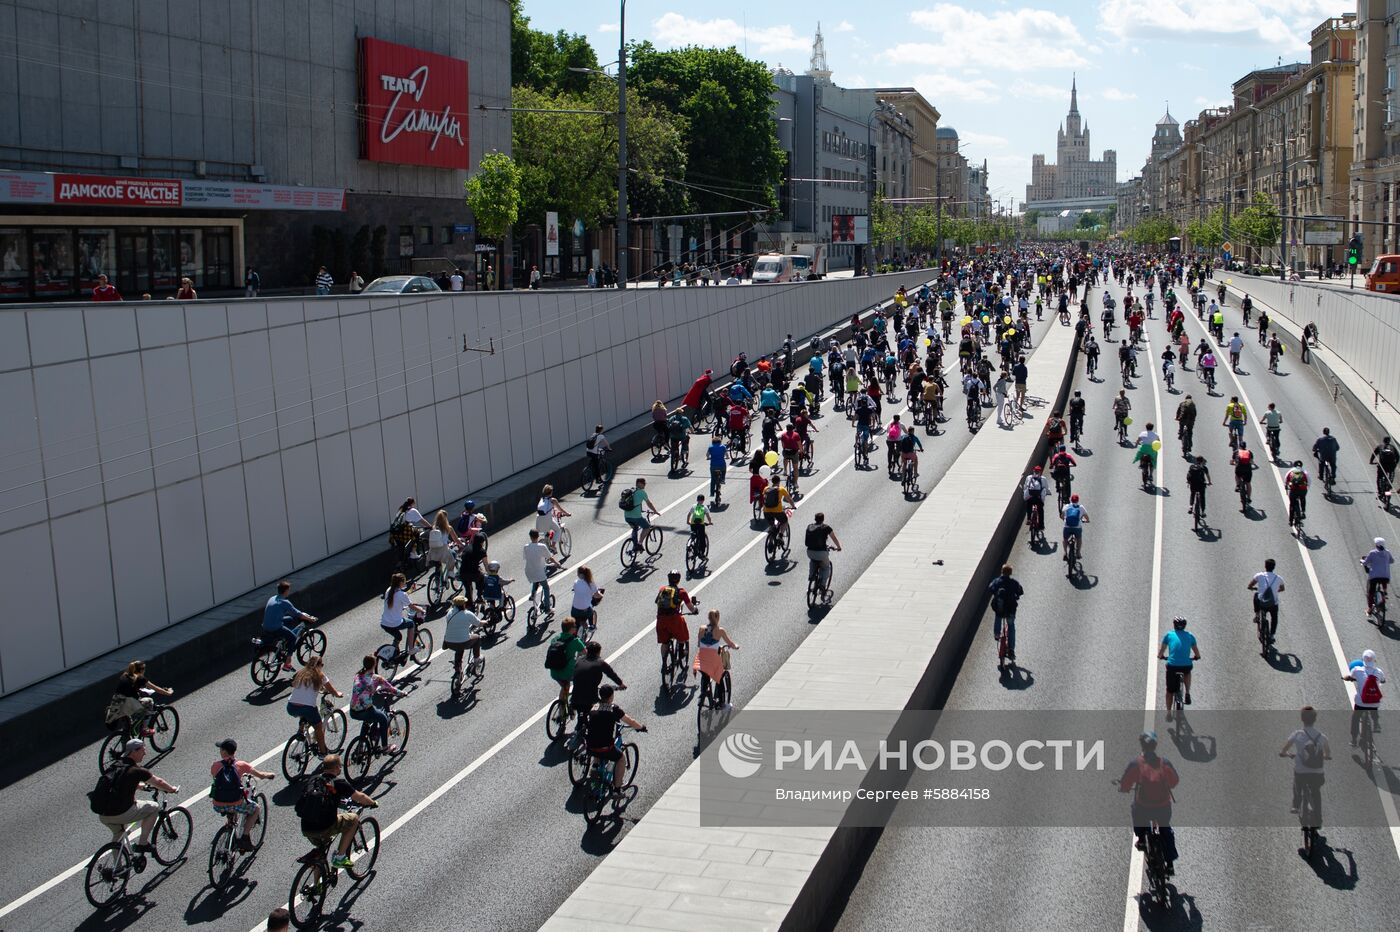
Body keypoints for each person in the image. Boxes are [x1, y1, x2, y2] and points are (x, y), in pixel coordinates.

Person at [92, 739, 179, 852]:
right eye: (143, 750)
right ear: (134, 751)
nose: (145, 753)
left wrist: (140, 786)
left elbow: (120, 783)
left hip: (103, 814)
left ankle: (116, 868)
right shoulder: (137, 770)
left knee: (120, 836)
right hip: (120, 813)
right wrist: (172, 789)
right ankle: (143, 844)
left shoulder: (116, 766)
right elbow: (158, 782)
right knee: (154, 807)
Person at [296, 753, 378, 869]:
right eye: (339, 766)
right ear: (336, 768)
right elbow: (359, 797)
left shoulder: (313, 780)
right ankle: (340, 857)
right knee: (353, 818)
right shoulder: (338, 783)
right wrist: (373, 803)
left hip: (306, 828)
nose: (340, 768)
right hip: (324, 828)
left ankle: (318, 885)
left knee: (320, 853)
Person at [1117, 732, 1180, 874]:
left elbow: (1126, 783)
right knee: (1165, 829)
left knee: (1135, 810)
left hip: (1143, 807)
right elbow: (1175, 780)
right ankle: (1169, 863)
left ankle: (1141, 839)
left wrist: (1124, 788)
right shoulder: (1165, 763)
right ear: (1155, 745)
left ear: (1142, 745)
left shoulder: (1136, 764)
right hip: (1163, 807)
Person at [209, 737, 274, 852]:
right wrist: (269, 775)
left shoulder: (215, 766)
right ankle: (244, 836)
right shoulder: (241, 765)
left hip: (217, 804)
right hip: (235, 803)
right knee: (256, 809)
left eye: (220, 749)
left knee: (229, 806)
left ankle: (229, 828)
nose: (219, 751)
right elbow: (260, 775)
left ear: (224, 752)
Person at [583, 684, 646, 789]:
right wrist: (641, 727)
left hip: (590, 747)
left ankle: (594, 773)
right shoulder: (613, 709)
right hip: (606, 748)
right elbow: (630, 721)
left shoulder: (593, 708)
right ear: (611, 696)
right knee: (620, 759)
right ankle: (617, 789)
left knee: (597, 753)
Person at [1279, 706, 1330, 819]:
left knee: (1297, 785)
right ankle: (1318, 815)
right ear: (1315, 719)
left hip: (1301, 772)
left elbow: (1284, 750)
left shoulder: (1297, 734)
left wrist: (1285, 754)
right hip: (1318, 773)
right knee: (1316, 790)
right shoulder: (1322, 737)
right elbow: (1328, 753)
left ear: (1302, 719)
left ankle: (1296, 806)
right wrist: (1326, 757)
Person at [287, 655, 342, 756]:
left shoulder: (300, 673)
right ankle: (323, 752)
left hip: (291, 706)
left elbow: (297, 685)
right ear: (319, 665)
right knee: (318, 727)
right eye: (322, 664)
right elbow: (332, 690)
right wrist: (338, 694)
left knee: (302, 712)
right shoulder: (320, 675)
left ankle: (301, 729)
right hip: (307, 708)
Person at [105, 660, 174, 735]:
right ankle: (144, 729)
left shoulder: (125, 675)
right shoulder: (140, 678)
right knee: (149, 702)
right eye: (144, 669)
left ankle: (125, 742)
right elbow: (156, 688)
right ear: (141, 670)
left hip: (117, 703)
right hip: (127, 704)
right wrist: (168, 693)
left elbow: (127, 689)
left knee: (127, 729)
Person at [263, 580, 317, 669]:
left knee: (290, 619)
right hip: (275, 628)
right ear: (286, 591)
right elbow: (298, 613)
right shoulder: (285, 602)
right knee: (293, 638)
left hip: (266, 625)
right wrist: (310, 619)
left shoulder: (272, 598)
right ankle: (287, 663)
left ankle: (284, 640)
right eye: (289, 590)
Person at [1157, 616, 1200, 718]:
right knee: (1187, 671)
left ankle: (1168, 713)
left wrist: (1161, 656)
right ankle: (1188, 693)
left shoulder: (1169, 635)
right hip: (1186, 665)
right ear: (1185, 626)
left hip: (1172, 666)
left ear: (1174, 625)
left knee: (1169, 691)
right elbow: (1196, 652)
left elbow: (1162, 650)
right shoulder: (1190, 636)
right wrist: (1197, 657)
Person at [655, 570, 697, 669]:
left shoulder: (662, 589)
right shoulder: (681, 592)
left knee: (665, 642)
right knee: (682, 636)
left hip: (661, 619)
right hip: (674, 619)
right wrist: (695, 610)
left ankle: (664, 662)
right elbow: (690, 607)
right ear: (678, 580)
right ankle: (681, 653)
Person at [1343, 649, 1387, 746]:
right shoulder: (1379, 672)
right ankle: (1376, 724)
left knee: (1355, 718)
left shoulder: (1357, 670)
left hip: (1361, 702)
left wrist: (1346, 678)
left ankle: (1354, 740)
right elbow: (1383, 680)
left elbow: (1350, 677)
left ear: (1363, 659)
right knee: (1374, 706)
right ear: (1374, 660)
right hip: (1374, 701)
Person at [380, 572, 426, 662]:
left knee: (398, 637)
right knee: (411, 624)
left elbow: (396, 601)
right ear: (400, 583)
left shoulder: (389, 590)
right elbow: (412, 606)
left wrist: (409, 592)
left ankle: (393, 655)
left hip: (384, 623)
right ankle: (411, 649)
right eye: (404, 582)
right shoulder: (402, 595)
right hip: (395, 623)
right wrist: (421, 610)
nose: (405, 583)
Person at [546, 618, 587, 711]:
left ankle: (561, 711)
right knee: (581, 681)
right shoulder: (576, 641)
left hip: (554, 672)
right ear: (571, 629)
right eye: (575, 626)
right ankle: (573, 704)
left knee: (565, 686)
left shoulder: (555, 639)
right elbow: (586, 653)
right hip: (568, 672)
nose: (576, 628)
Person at [987, 564, 1024, 660]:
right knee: (1011, 626)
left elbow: (990, 588)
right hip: (1011, 609)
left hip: (1000, 608)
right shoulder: (1014, 583)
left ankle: (996, 633)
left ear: (1002, 571)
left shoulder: (997, 581)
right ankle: (1011, 649)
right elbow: (1020, 591)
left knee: (998, 616)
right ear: (1010, 573)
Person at [442, 596, 484, 681]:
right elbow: (478, 623)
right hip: (463, 642)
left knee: (458, 646)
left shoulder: (449, 613)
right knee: (477, 638)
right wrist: (486, 622)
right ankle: (476, 659)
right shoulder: (467, 614)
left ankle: (458, 667)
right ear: (463, 604)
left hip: (448, 642)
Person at [523, 528, 562, 618]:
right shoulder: (541, 546)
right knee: (546, 587)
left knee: (535, 581)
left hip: (529, 571)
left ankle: (533, 594)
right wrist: (557, 564)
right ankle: (548, 609)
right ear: (538, 536)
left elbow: (527, 558)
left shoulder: (526, 547)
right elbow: (550, 558)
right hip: (539, 571)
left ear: (530, 537)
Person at [805, 511, 843, 595]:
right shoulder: (826, 527)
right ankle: (822, 585)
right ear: (823, 519)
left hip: (809, 552)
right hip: (821, 553)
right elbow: (834, 538)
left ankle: (811, 576)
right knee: (826, 567)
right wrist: (838, 547)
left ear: (815, 519)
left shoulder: (809, 526)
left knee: (813, 561)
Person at [1248, 558, 1285, 644]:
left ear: (1265, 566)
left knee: (1256, 595)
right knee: (1274, 618)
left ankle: (1257, 614)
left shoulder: (1259, 575)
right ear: (1274, 567)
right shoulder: (1279, 578)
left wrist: (1251, 588)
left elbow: (1250, 585)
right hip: (1273, 603)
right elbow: (1282, 588)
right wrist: (1275, 591)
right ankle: (1272, 635)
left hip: (1262, 603)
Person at [621, 477, 660, 547]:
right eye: (644, 483)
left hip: (626, 517)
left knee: (635, 528)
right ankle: (639, 544)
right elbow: (649, 503)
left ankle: (634, 544)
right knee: (647, 527)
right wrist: (655, 511)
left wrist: (641, 510)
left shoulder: (631, 491)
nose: (645, 485)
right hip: (636, 517)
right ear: (639, 484)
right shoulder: (642, 492)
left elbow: (635, 503)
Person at [535, 484, 570, 556]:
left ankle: (547, 544)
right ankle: (553, 546)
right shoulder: (553, 500)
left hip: (538, 520)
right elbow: (560, 509)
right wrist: (567, 514)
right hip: (547, 519)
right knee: (558, 530)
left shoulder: (541, 500)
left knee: (546, 531)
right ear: (551, 492)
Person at [1362, 538, 1394, 617]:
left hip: (1374, 576)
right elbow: (1392, 561)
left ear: (1376, 545)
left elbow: (1366, 562)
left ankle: (1369, 610)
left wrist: (1362, 561)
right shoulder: (1387, 552)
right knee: (1383, 578)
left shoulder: (1372, 553)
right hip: (1385, 577)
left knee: (1370, 593)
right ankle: (1384, 591)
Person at [570, 565, 603, 632]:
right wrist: (601, 595)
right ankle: (592, 626)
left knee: (576, 624)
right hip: (585, 610)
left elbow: (576, 590)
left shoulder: (576, 582)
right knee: (590, 612)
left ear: (579, 574)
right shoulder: (591, 583)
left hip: (574, 610)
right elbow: (597, 595)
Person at [1062, 492, 1088, 560]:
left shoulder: (1066, 506)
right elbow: (1086, 517)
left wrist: (1064, 519)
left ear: (1071, 500)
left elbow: (1062, 516)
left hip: (1067, 526)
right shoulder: (1081, 507)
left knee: (1065, 539)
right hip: (1077, 527)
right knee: (1079, 539)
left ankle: (1065, 553)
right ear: (1078, 500)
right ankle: (1078, 553)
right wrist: (1087, 521)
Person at [1284, 460, 1309, 525]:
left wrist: (1286, 487)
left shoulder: (1291, 471)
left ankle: (1291, 521)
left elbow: (1285, 480)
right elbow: (1309, 481)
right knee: (1303, 499)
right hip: (1302, 490)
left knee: (1292, 504)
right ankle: (1303, 512)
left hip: (1293, 490)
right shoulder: (1304, 471)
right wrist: (1306, 488)